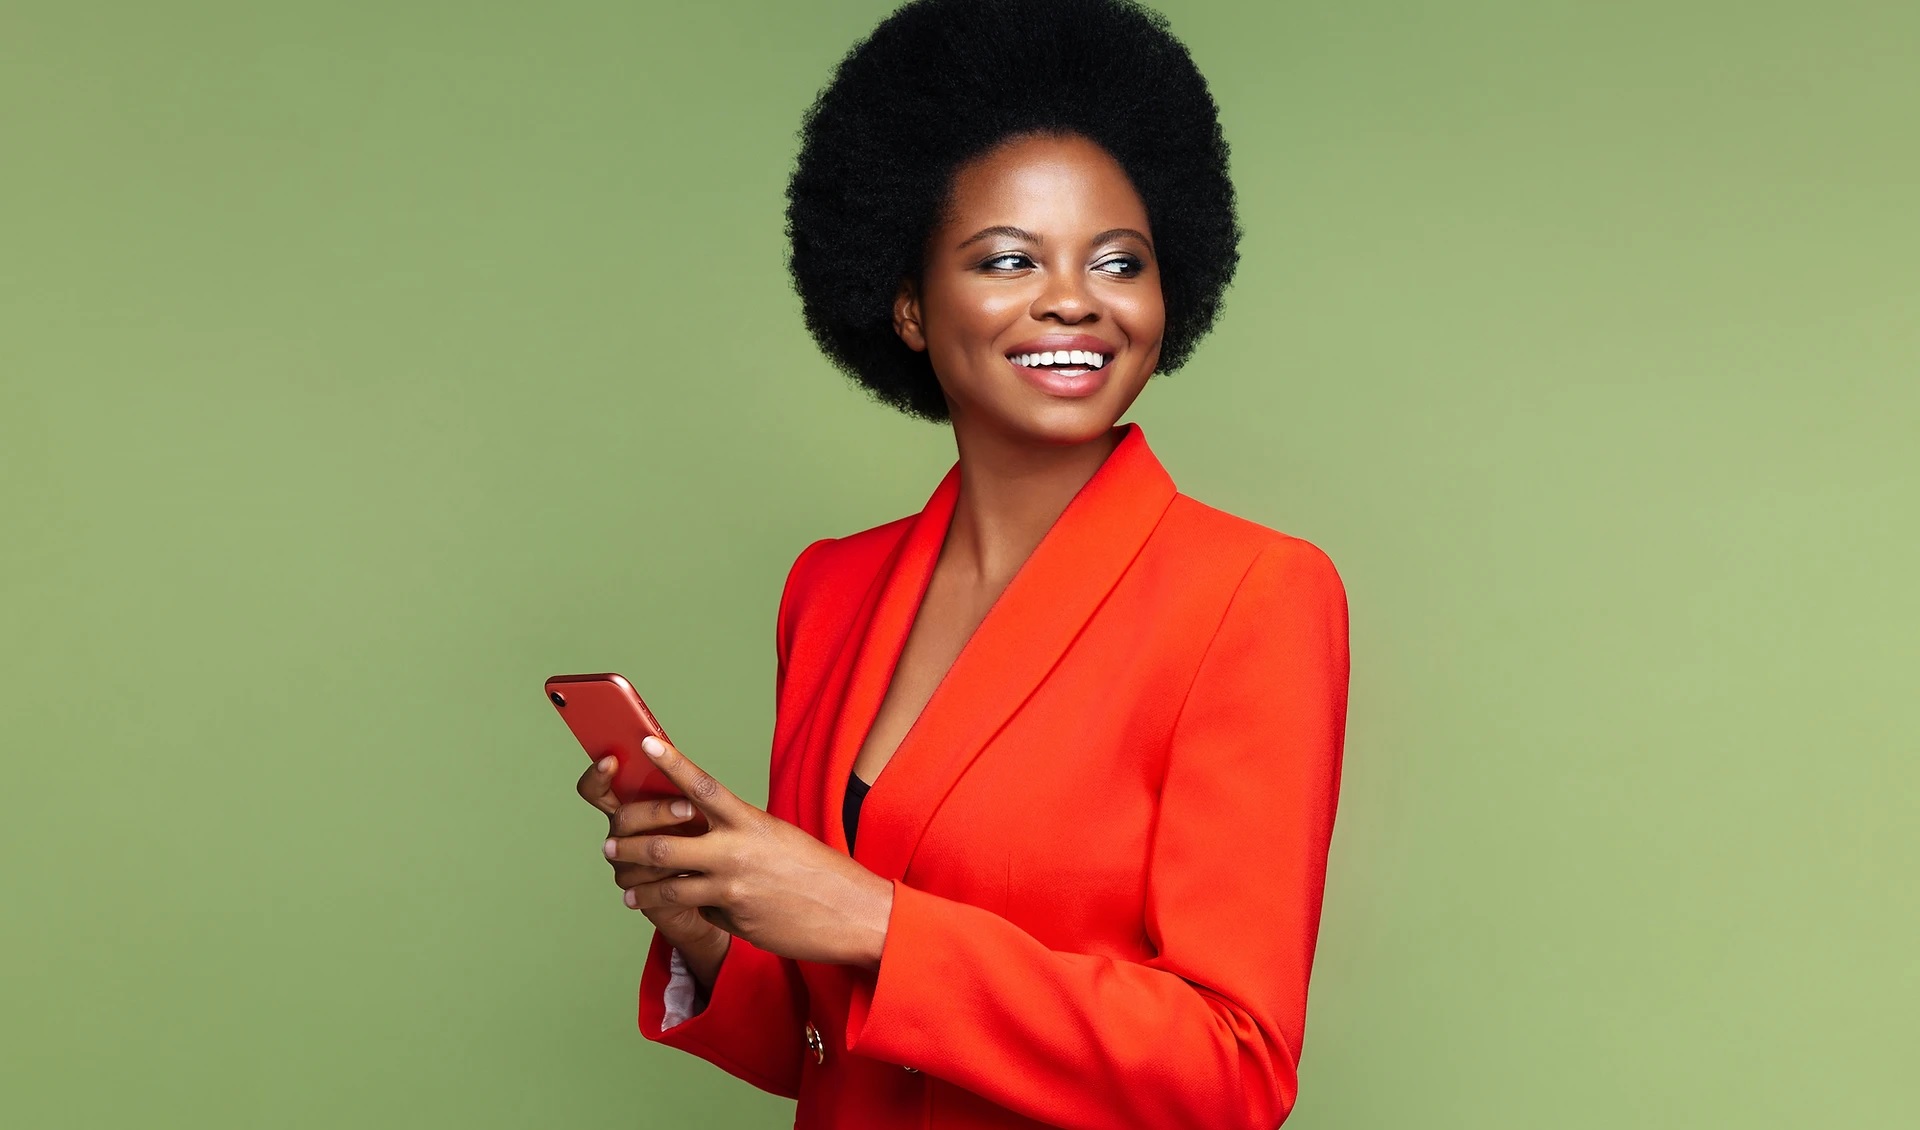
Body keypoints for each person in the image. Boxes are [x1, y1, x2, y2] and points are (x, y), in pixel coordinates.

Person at [573, 0, 1351, 1125]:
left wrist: (875, 920)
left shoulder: (1252, 594)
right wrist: (707, 917)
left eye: (1119, 261)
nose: (1073, 298)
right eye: (1009, 259)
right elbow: (832, 1043)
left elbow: (1233, 1070)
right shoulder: (829, 589)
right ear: (907, 305)